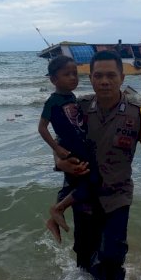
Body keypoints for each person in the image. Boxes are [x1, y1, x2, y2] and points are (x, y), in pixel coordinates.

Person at [55, 50, 141, 280]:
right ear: (91, 79)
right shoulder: (79, 109)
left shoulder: (140, 114)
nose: (105, 81)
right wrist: (60, 162)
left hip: (117, 197)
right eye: (98, 75)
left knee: (112, 256)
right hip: (83, 196)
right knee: (84, 256)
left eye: (111, 75)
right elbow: (59, 143)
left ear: (122, 77)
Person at [38, 56, 101, 243]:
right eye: (67, 74)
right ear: (54, 80)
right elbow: (42, 128)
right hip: (69, 148)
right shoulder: (53, 101)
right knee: (93, 179)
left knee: (72, 184)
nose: (73, 77)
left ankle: (53, 220)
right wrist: (57, 150)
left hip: (79, 145)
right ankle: (57, 210)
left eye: (75, 73)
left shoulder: (71, 97)